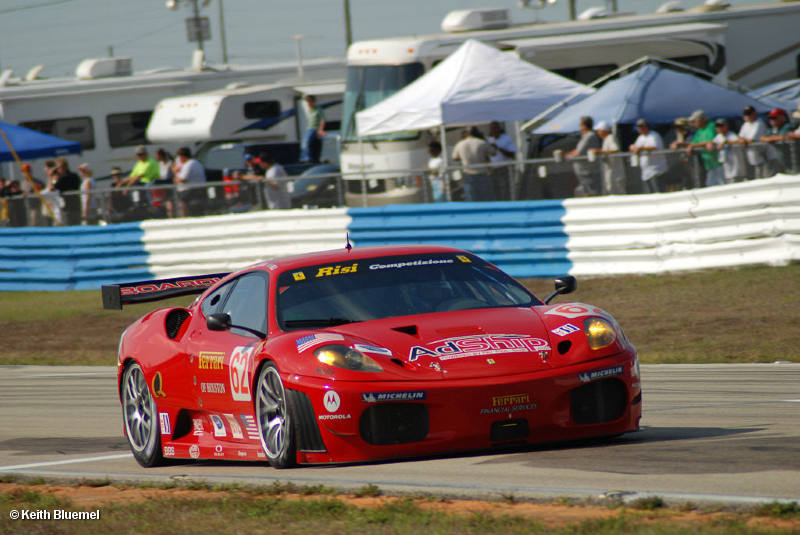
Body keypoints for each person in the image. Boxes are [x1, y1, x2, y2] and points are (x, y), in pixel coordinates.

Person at [451, 126, 494, 202]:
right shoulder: (481, 142)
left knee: (471, 198)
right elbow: (493, 152)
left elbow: (455, 157)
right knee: (486, 197)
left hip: (468, 174)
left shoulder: (460, 144)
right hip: (482, 173)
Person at [685, 109, 723, 187]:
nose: (693, 123)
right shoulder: (699, 130)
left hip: (719, 163)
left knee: (723, 185)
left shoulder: (712, 126)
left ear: (701, 120)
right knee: (710, 185)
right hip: (709, 164)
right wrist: (680, 144)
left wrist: (693, 146)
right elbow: (693, 142)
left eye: (694, 121)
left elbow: (710, 141)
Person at [629, 118, 668, 194]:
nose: (640, 129)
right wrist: (632, 147)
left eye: (642, 126)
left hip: (656, 170)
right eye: (639, 127)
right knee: (649, 192)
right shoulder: (640, 138)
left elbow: (654, 147)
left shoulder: (654, 135)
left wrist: (640, 148)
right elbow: (636, 148)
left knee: (658, 192)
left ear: (646, 127)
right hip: (646, 171)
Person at [565, 116, 601, 196]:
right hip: (584, 171)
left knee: (592, 191)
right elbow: (578, 150)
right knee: (586, 190)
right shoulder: (585, 136)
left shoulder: (589, 136)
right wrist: (566, 154)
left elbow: (579, 152)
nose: (579, 127)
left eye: (580, 125)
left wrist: (568, 156)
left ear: (584, 126)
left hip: (588, 171)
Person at [590, 121, 626, 195]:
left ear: (605, 130)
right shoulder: (606, 139)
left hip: (616, 174)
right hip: (611, 173)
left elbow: (615, 150)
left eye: (599, 131)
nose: (598, 133)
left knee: (619, 194)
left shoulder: (610, 138)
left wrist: (599, 151)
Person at [734, 105, 769, 179]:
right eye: (746, 114)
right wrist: (742, 140)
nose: (748, 116)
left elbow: (752, 139)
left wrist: (743, 141)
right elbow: (740, 137)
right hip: (750, 157)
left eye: (749, 114)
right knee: (753, 175)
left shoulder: (759, 123)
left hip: (761, 155)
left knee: (762, 176)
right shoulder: (745, 124)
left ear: (754, 114)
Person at [172, 146, 207, 217]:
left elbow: (182, 180)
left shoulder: (189, 164)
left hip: (191, 191)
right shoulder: (195, 162)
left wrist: (175, 172)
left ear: (182, 156)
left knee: (182, 205)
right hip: (198, 190)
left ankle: (184, 219)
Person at [487, 121, 516, 200]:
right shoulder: (488, 140)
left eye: (496, 128)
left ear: (499, 129)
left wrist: (498, 148)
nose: (494, 130)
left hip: (505, 168)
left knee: (506, 189)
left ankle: (508, 203)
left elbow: (512, 154)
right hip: (493, 169)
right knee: (495, 189)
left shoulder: (506, 138)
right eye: (492, 128)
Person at [712, 118, 746, 184]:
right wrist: (710, 144)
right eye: (717, 126)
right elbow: (713, 143)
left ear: (726, 126)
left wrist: (726, 142)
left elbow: (739, 141)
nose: (719, 128)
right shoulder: (719, 136)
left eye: (721, 126)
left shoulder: (731, 135)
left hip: (735, 169)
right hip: (726, 169)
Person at [761, 108, 793, 173]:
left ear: (782, 117)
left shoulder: (787, 126)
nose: (772, 120)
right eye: (770, 118)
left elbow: (783, 137)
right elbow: (762, 137)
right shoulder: (773, 129)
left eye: (774, 118)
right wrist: (770, 138)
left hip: (790, 160)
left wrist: (771, 138)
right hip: (778, 161)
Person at [53, 157, 81, 225]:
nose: (58, 170)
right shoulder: (75, 176)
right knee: (76, 223)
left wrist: (54, 178)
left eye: (58, 168)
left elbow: (55, 187)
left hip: (67, 205)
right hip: (76, 203)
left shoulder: (63, 177)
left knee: (68, 223)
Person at [300, 95, 326, 163]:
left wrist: (320, 130)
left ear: (313, 102)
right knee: (315, 145)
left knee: (305, 142)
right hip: (309, 128)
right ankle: (314, 159)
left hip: (315, 128)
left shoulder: (318, 109)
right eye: (307, 102)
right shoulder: (309, 110)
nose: (308, 104)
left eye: (309, 102)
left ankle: (306, 158)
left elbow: (322, 120)